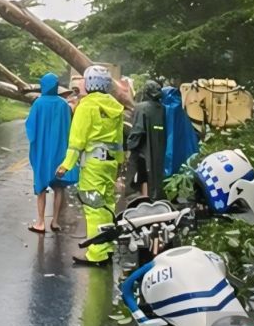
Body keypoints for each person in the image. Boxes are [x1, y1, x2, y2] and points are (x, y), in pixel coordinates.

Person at [56, 65, 125, 267]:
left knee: (93, 207)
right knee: (107, 205)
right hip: (110, 163)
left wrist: (65, 165)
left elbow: (77, 140)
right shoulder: (115, 106)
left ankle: (96, 254)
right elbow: (120, 140)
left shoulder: (86, 106)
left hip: (93, 165)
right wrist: (120, 162)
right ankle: (107, 247)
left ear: (89, 83)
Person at [25, 72, 78, 234]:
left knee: (41, 187)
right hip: (59, 150)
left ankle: (40, 222)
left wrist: (35, 141)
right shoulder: (63, 105)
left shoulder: (38, 104)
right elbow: (70, 128)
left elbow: (30, 127)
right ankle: (55, 221)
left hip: (42, 150)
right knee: (59, 187)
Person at [127, 80, 166, 199]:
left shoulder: (141, 107)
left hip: (142, 151)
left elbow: (138, 130)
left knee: (140, 175)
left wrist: (129, 145)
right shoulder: (163, 108)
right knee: (155, 176)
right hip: (159, 150)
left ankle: (139, 198)